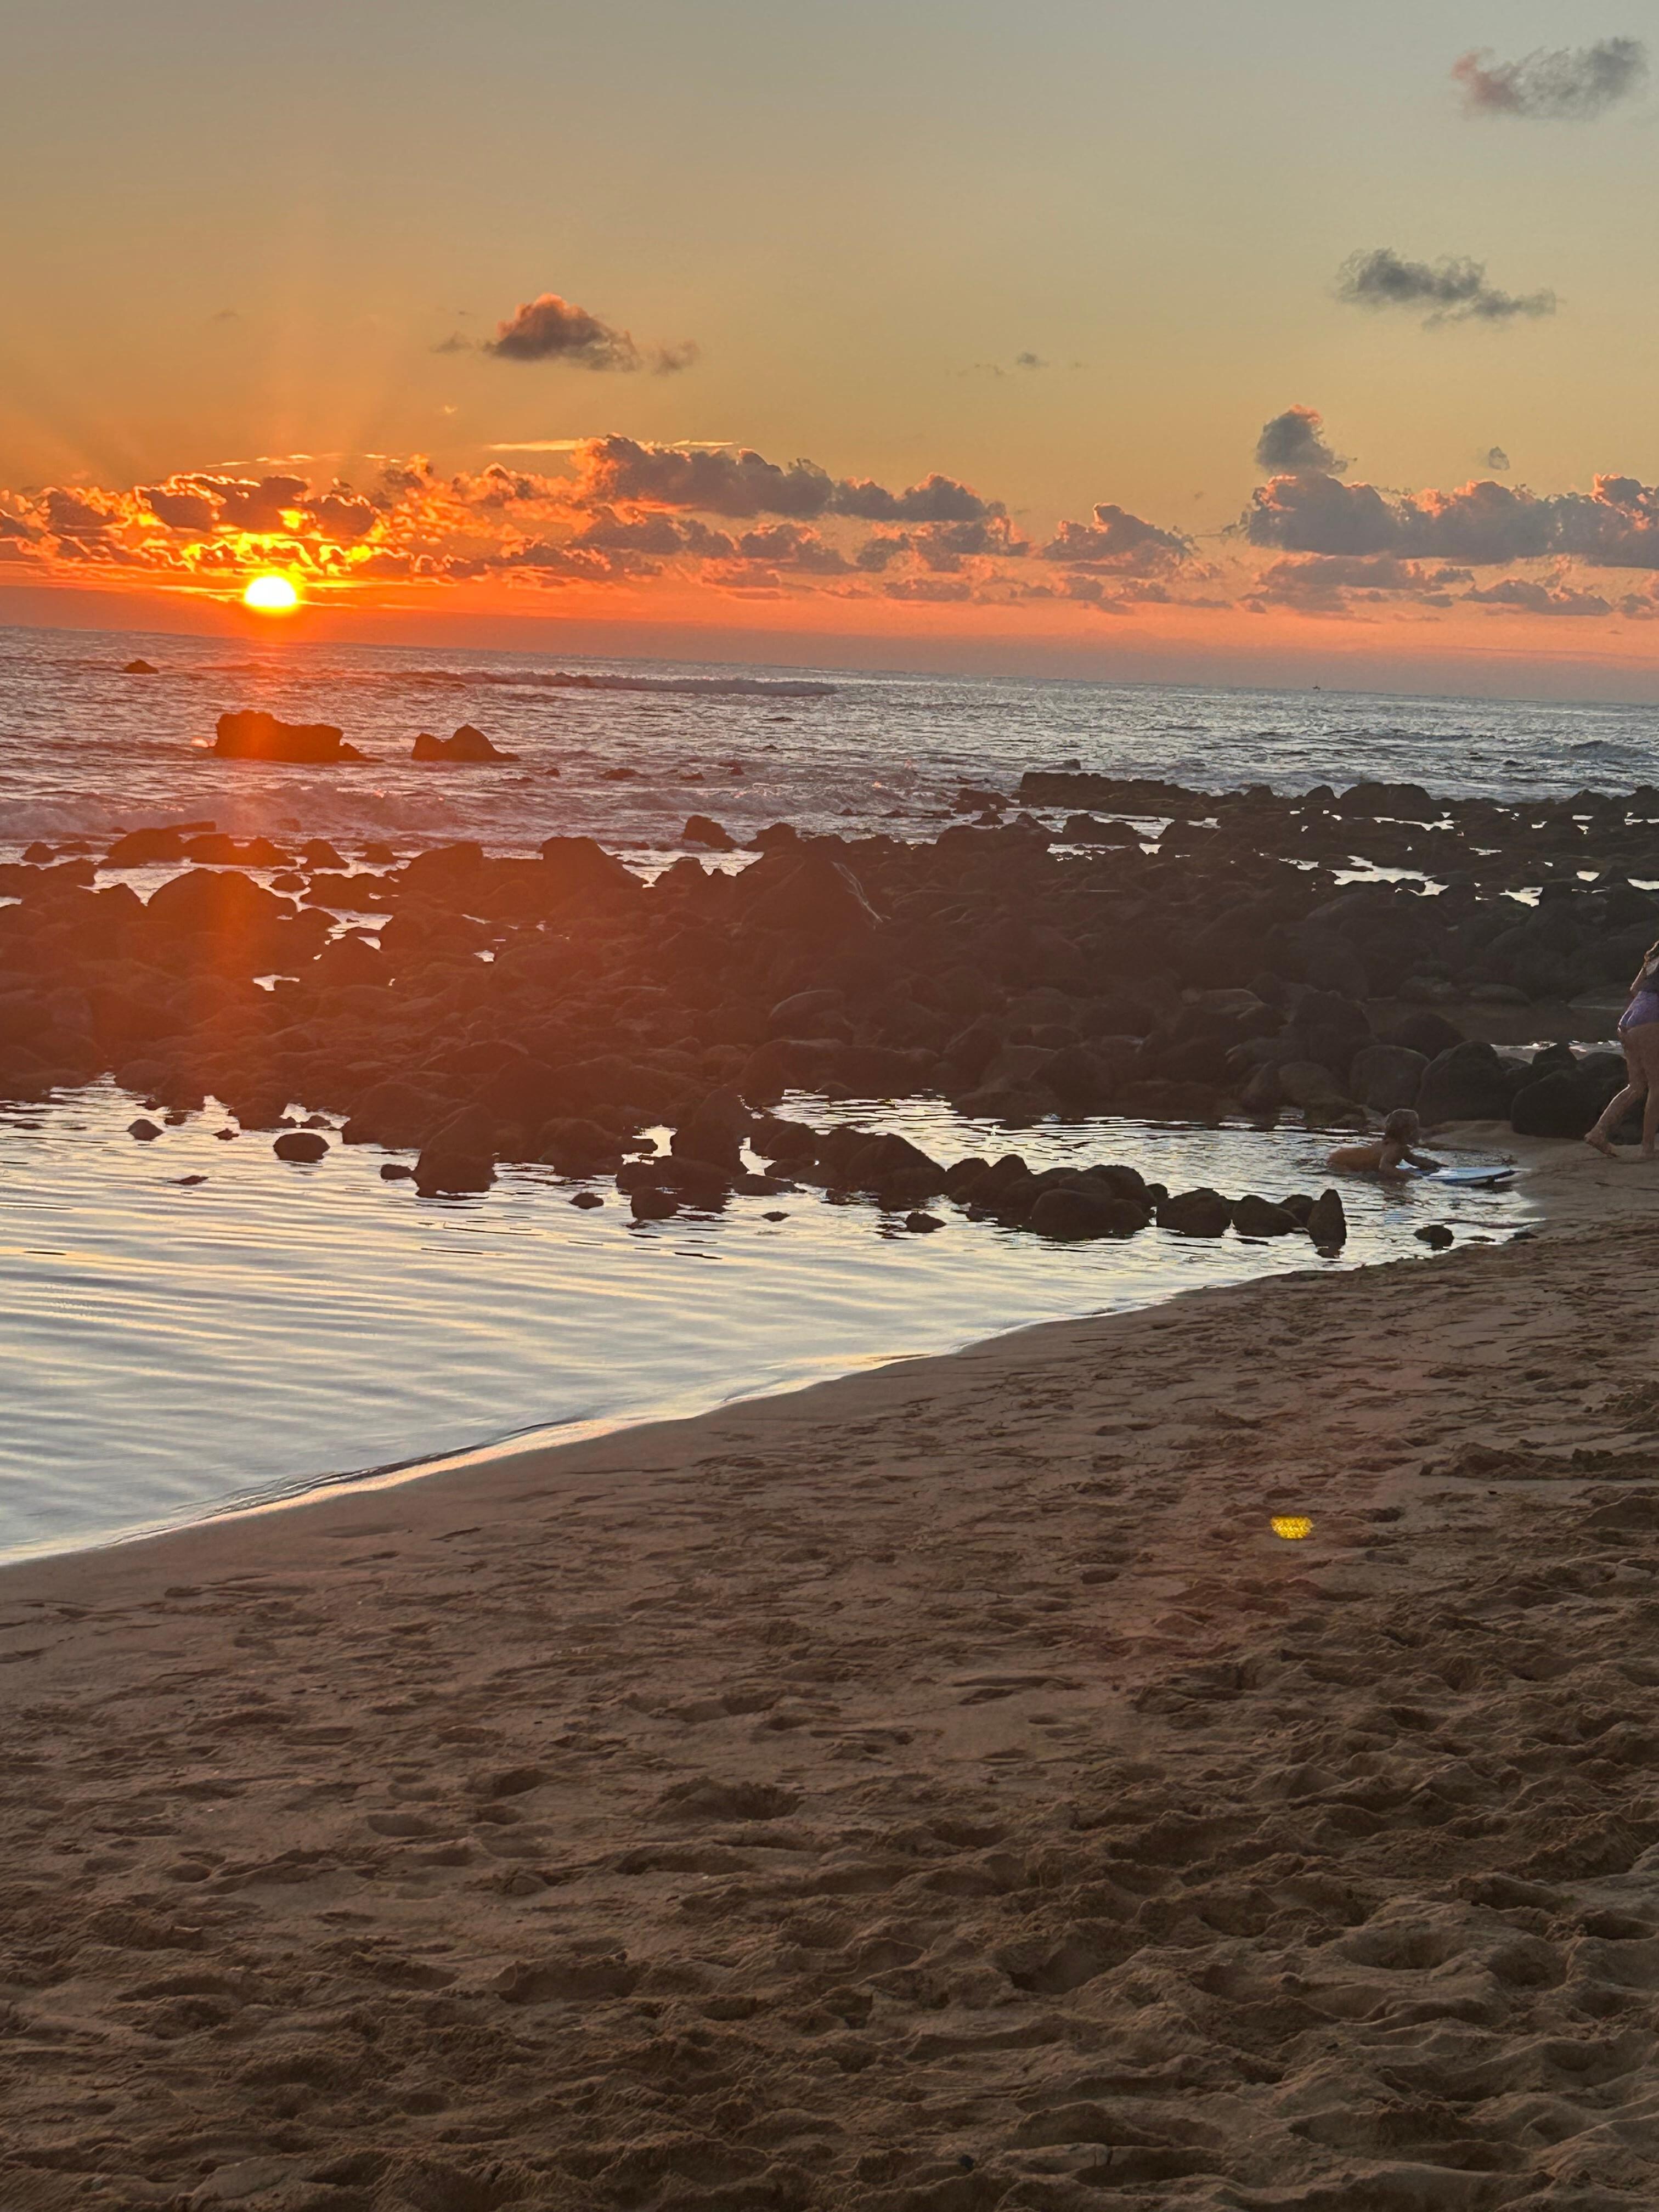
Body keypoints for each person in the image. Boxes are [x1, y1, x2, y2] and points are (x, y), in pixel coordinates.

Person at [1585, 941, 1659, 1159]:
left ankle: (1598, 1133)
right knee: (1657, 1086)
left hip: (1629, 1019)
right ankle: (1648, 1149)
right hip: (1649, 1021)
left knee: (1636, 1087)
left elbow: (1635, 989)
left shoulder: (1653, 959)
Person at [1327, 1107, 1441, 1177]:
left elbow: (1415, 1160)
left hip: (1341, 1156)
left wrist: (1437, 1166)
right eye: (1416, 1128)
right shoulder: (1394, 1149)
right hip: (1341, 1163)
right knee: (1389, 1182)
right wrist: (1410, 1177)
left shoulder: (1400, 1148)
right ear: (1408, 1132)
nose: (1418, 1131)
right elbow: (1384, 1167)